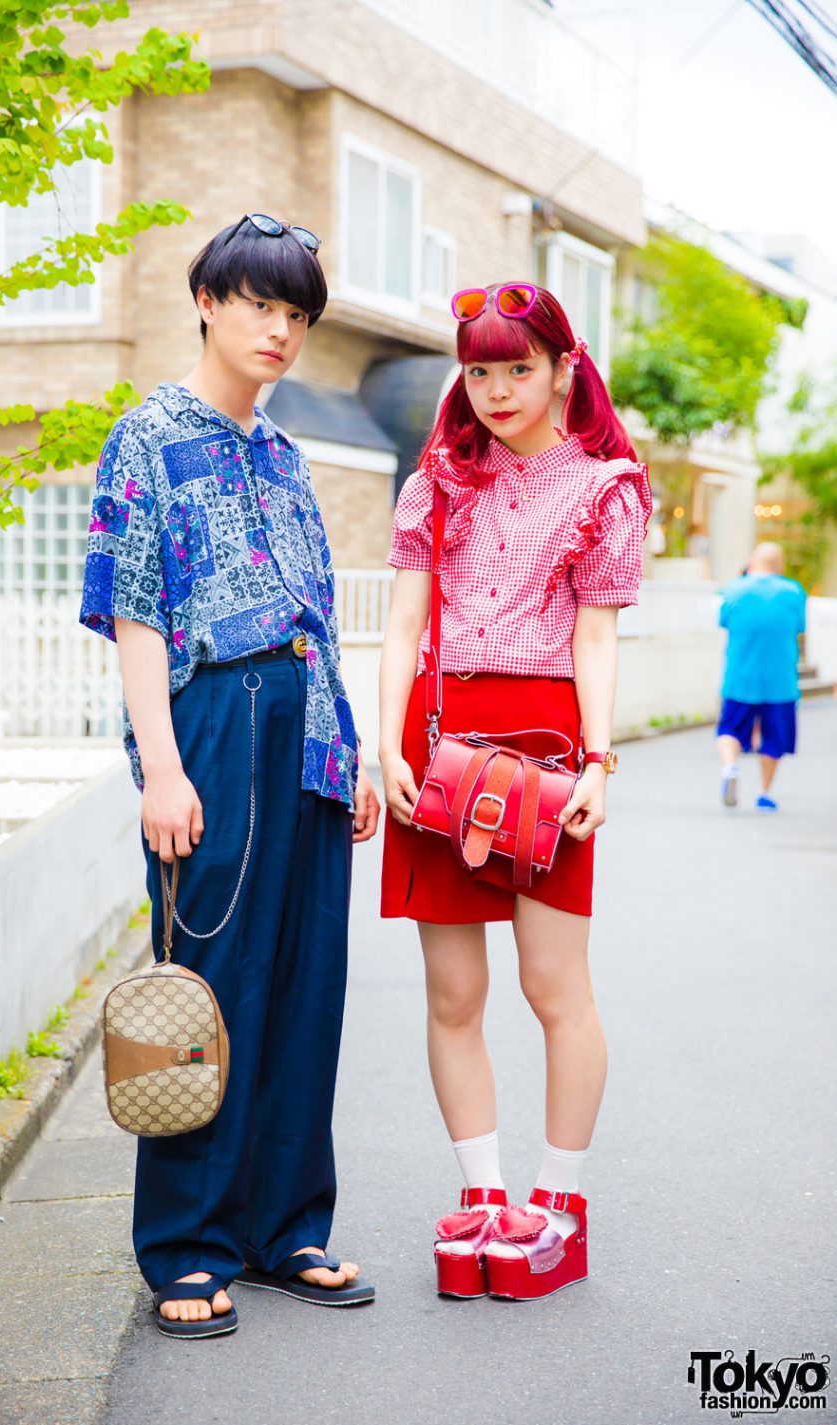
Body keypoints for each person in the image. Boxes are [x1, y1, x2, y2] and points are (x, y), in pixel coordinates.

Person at [80, 214, 380, 1338]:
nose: (280, 329)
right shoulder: (148, 436)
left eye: (297, 313)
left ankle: (284, 1227)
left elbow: (319, 615)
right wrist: (160, 767)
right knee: (203, 988)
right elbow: (136, 613)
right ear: (207, 299)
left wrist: (344, 744)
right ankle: (188, 1246)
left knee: (305, 986)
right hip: (211, 721)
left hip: (303, 730)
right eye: (261, 303)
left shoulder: (286, 453)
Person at [378, 283, 651, 1301]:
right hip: (437, 739)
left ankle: (557, 1206)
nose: (495, 390)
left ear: (561, 371)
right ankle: (484, 1195)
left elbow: (593, 635)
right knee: (453, 994)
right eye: (479, 369)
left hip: (544, 744)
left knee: (552, 987)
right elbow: (402, 626)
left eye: (516, 368)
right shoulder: (436, 482)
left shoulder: (603, 487)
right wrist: (385, 748)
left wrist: (596, 760)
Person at [716, 541, 805, 813]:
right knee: (774, 739)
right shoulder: (793, 592)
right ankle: (764, 793)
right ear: (779, 567)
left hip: (740, 677)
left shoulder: (734, 589)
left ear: (752, 563)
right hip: (781, 681)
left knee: (729, 729)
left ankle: (730, 767)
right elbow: (799, 627)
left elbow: (723, 621)